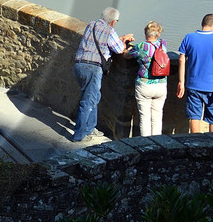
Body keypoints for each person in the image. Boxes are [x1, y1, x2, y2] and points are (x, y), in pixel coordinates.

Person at [72, 7, 125, 142]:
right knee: (87, 101)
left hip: (79, 65)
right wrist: (123, 41)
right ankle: (78, 136)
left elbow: (100, 41)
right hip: (92, 68)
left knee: (94, 96)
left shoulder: (92, 25)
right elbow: (119, 49)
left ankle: (90, 128)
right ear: (113, 21)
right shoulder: (110, 30)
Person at [177, 13, 213, 134]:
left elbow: (181, 59)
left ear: (202, 24)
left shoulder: (189, 37)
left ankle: (196, 145)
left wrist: (181, 82)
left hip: (193, 85)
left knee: (194, 117)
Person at [126, 21, 170, 137]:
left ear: (145, 33)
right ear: (158, 33)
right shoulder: (163, 45)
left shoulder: (141, 46)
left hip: (144, 85)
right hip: (161, 84)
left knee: (144, 118)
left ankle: (146, 145)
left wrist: (126, 43)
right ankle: (156, 144)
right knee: (157, 117)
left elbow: (126, 55)